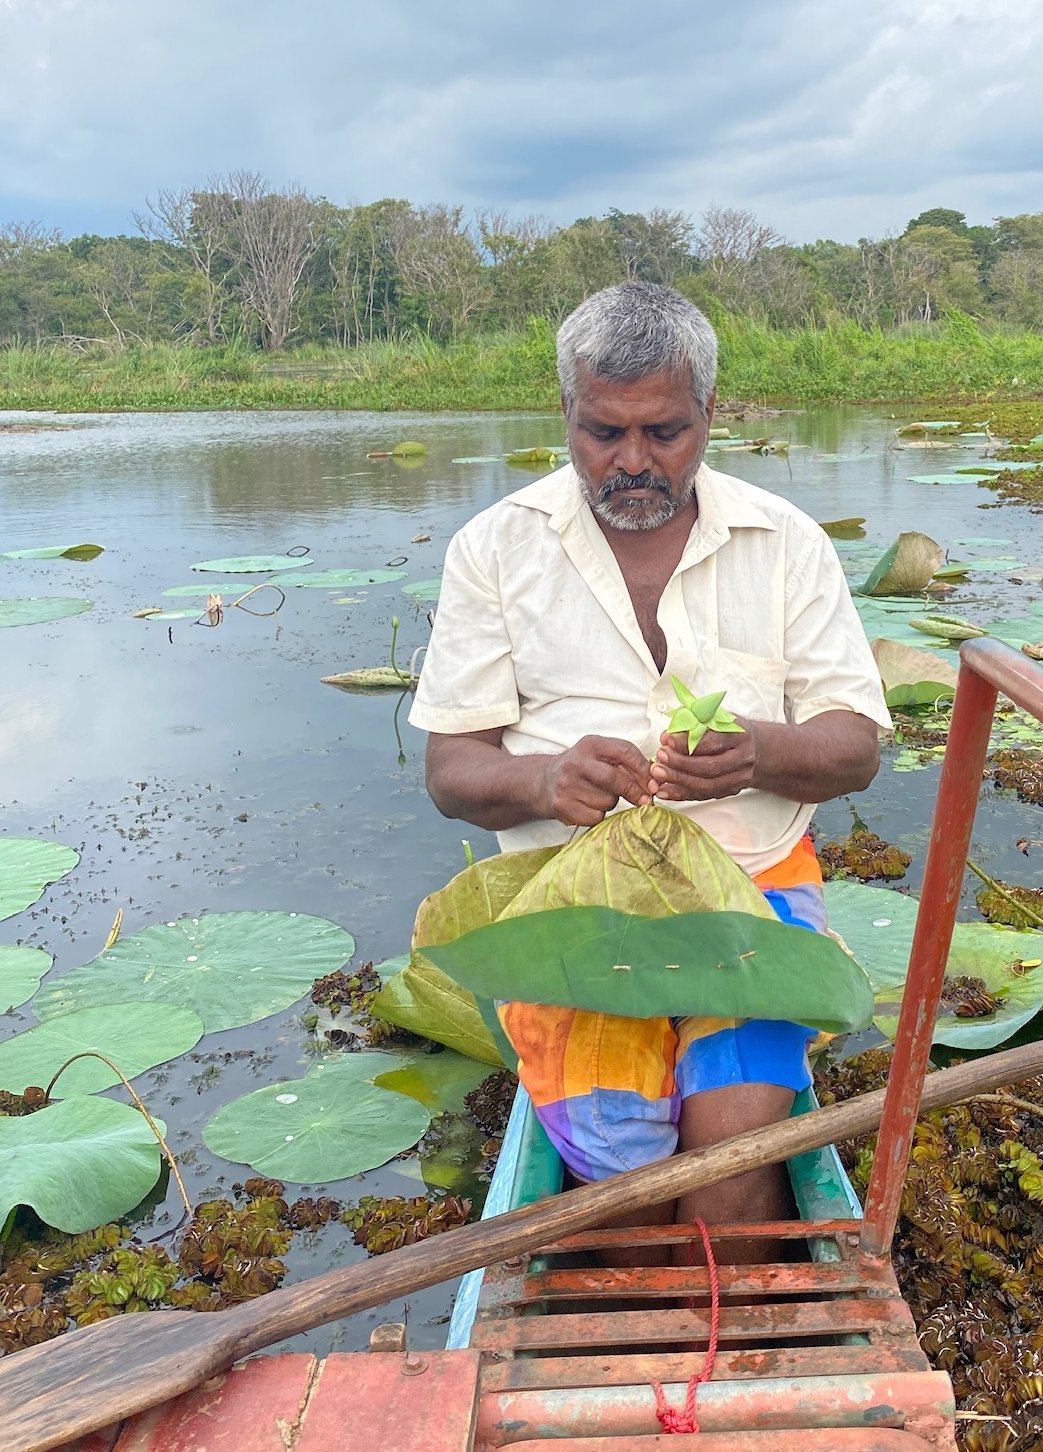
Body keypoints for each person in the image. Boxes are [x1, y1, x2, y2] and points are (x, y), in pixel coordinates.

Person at [410, 282, 890, 1253]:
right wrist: (545, 782)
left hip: (751, 893)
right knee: (623, 1166)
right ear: (568, 414)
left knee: (732, 1153)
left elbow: (856, 747)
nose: (631, 462)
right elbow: (451, 769)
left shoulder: (784, 543)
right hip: (568, 902)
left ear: (710, 413)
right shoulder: (496, 549)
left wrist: (762, 751)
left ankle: (717, 1323)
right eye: (603, 432)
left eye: (664, 432)